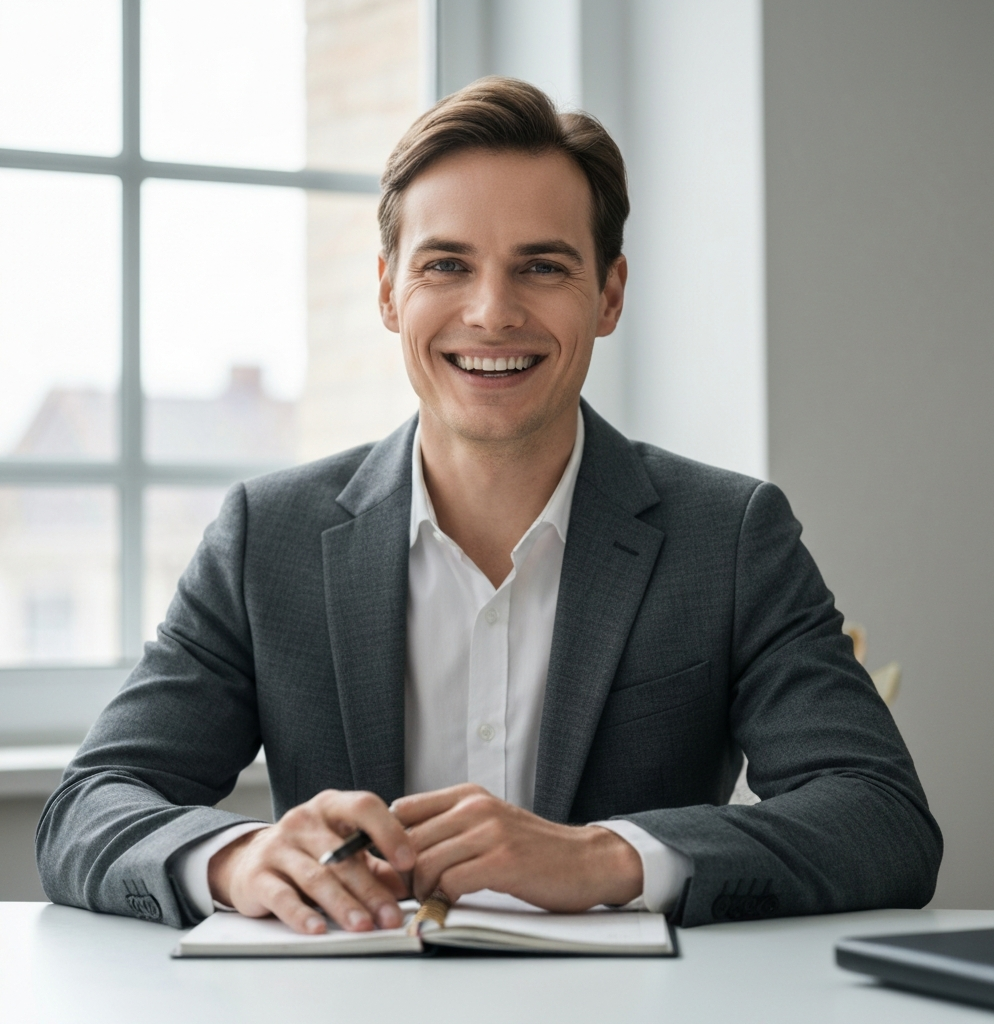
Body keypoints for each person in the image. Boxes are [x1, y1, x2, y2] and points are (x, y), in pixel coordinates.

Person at [37, 78, 941, 934]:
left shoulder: (731, 536)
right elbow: (90, 805)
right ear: (390, 291)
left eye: (541, 267)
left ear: (610, 295)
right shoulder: (263, 538)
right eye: (447, 265)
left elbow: (882, 819)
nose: (492, 312)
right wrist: (239, 860)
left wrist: (607, 858)